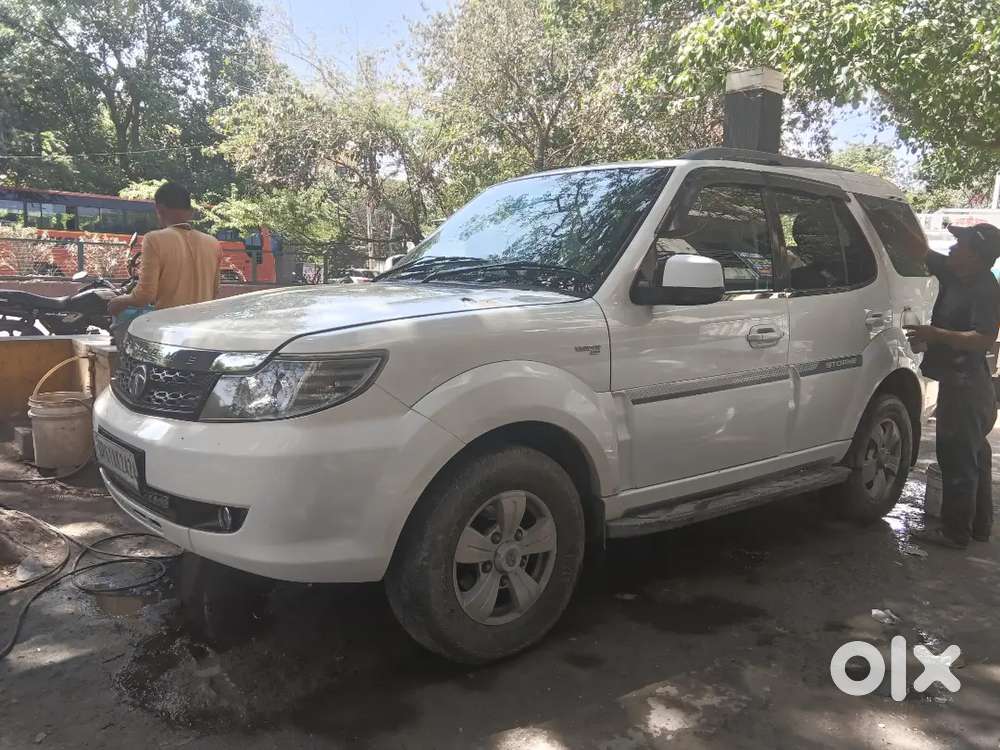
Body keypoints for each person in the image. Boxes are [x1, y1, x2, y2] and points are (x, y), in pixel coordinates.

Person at [903, 223, 1000, 549]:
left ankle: (955, 532)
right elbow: (919, 250)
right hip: (961, 381)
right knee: (975, 454)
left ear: (976, 256)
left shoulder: (986, 289)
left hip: (967, 385)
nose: (953, 248)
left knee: (957, 457)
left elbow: (983, 338)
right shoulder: (954, 271)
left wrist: (935, 335)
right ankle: (978, 527)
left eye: (961, 244)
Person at [108, 181, 222, 325]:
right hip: (202, 330)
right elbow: (214, 291)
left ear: (160, 209)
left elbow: (145, 295)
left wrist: (117, 302)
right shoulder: (213, 243)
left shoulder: (154, 239)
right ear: (190, 212)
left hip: (170, 331)